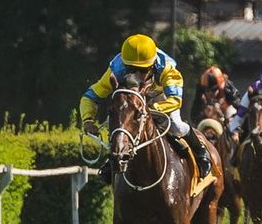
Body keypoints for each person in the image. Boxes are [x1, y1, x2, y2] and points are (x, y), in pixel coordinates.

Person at [80, 34, 211, 184]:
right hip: (132, 99)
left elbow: (174, 100)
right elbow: (89, 97)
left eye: (141, 70)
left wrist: (151, 109)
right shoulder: (117, 69)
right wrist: (88, 120)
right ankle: (113, 159)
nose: (136, 74)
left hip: (161, 98)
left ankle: (201, 152)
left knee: (176, 125)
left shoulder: (167, 69)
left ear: (152, 65)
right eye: (131, 68)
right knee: (120, 122)